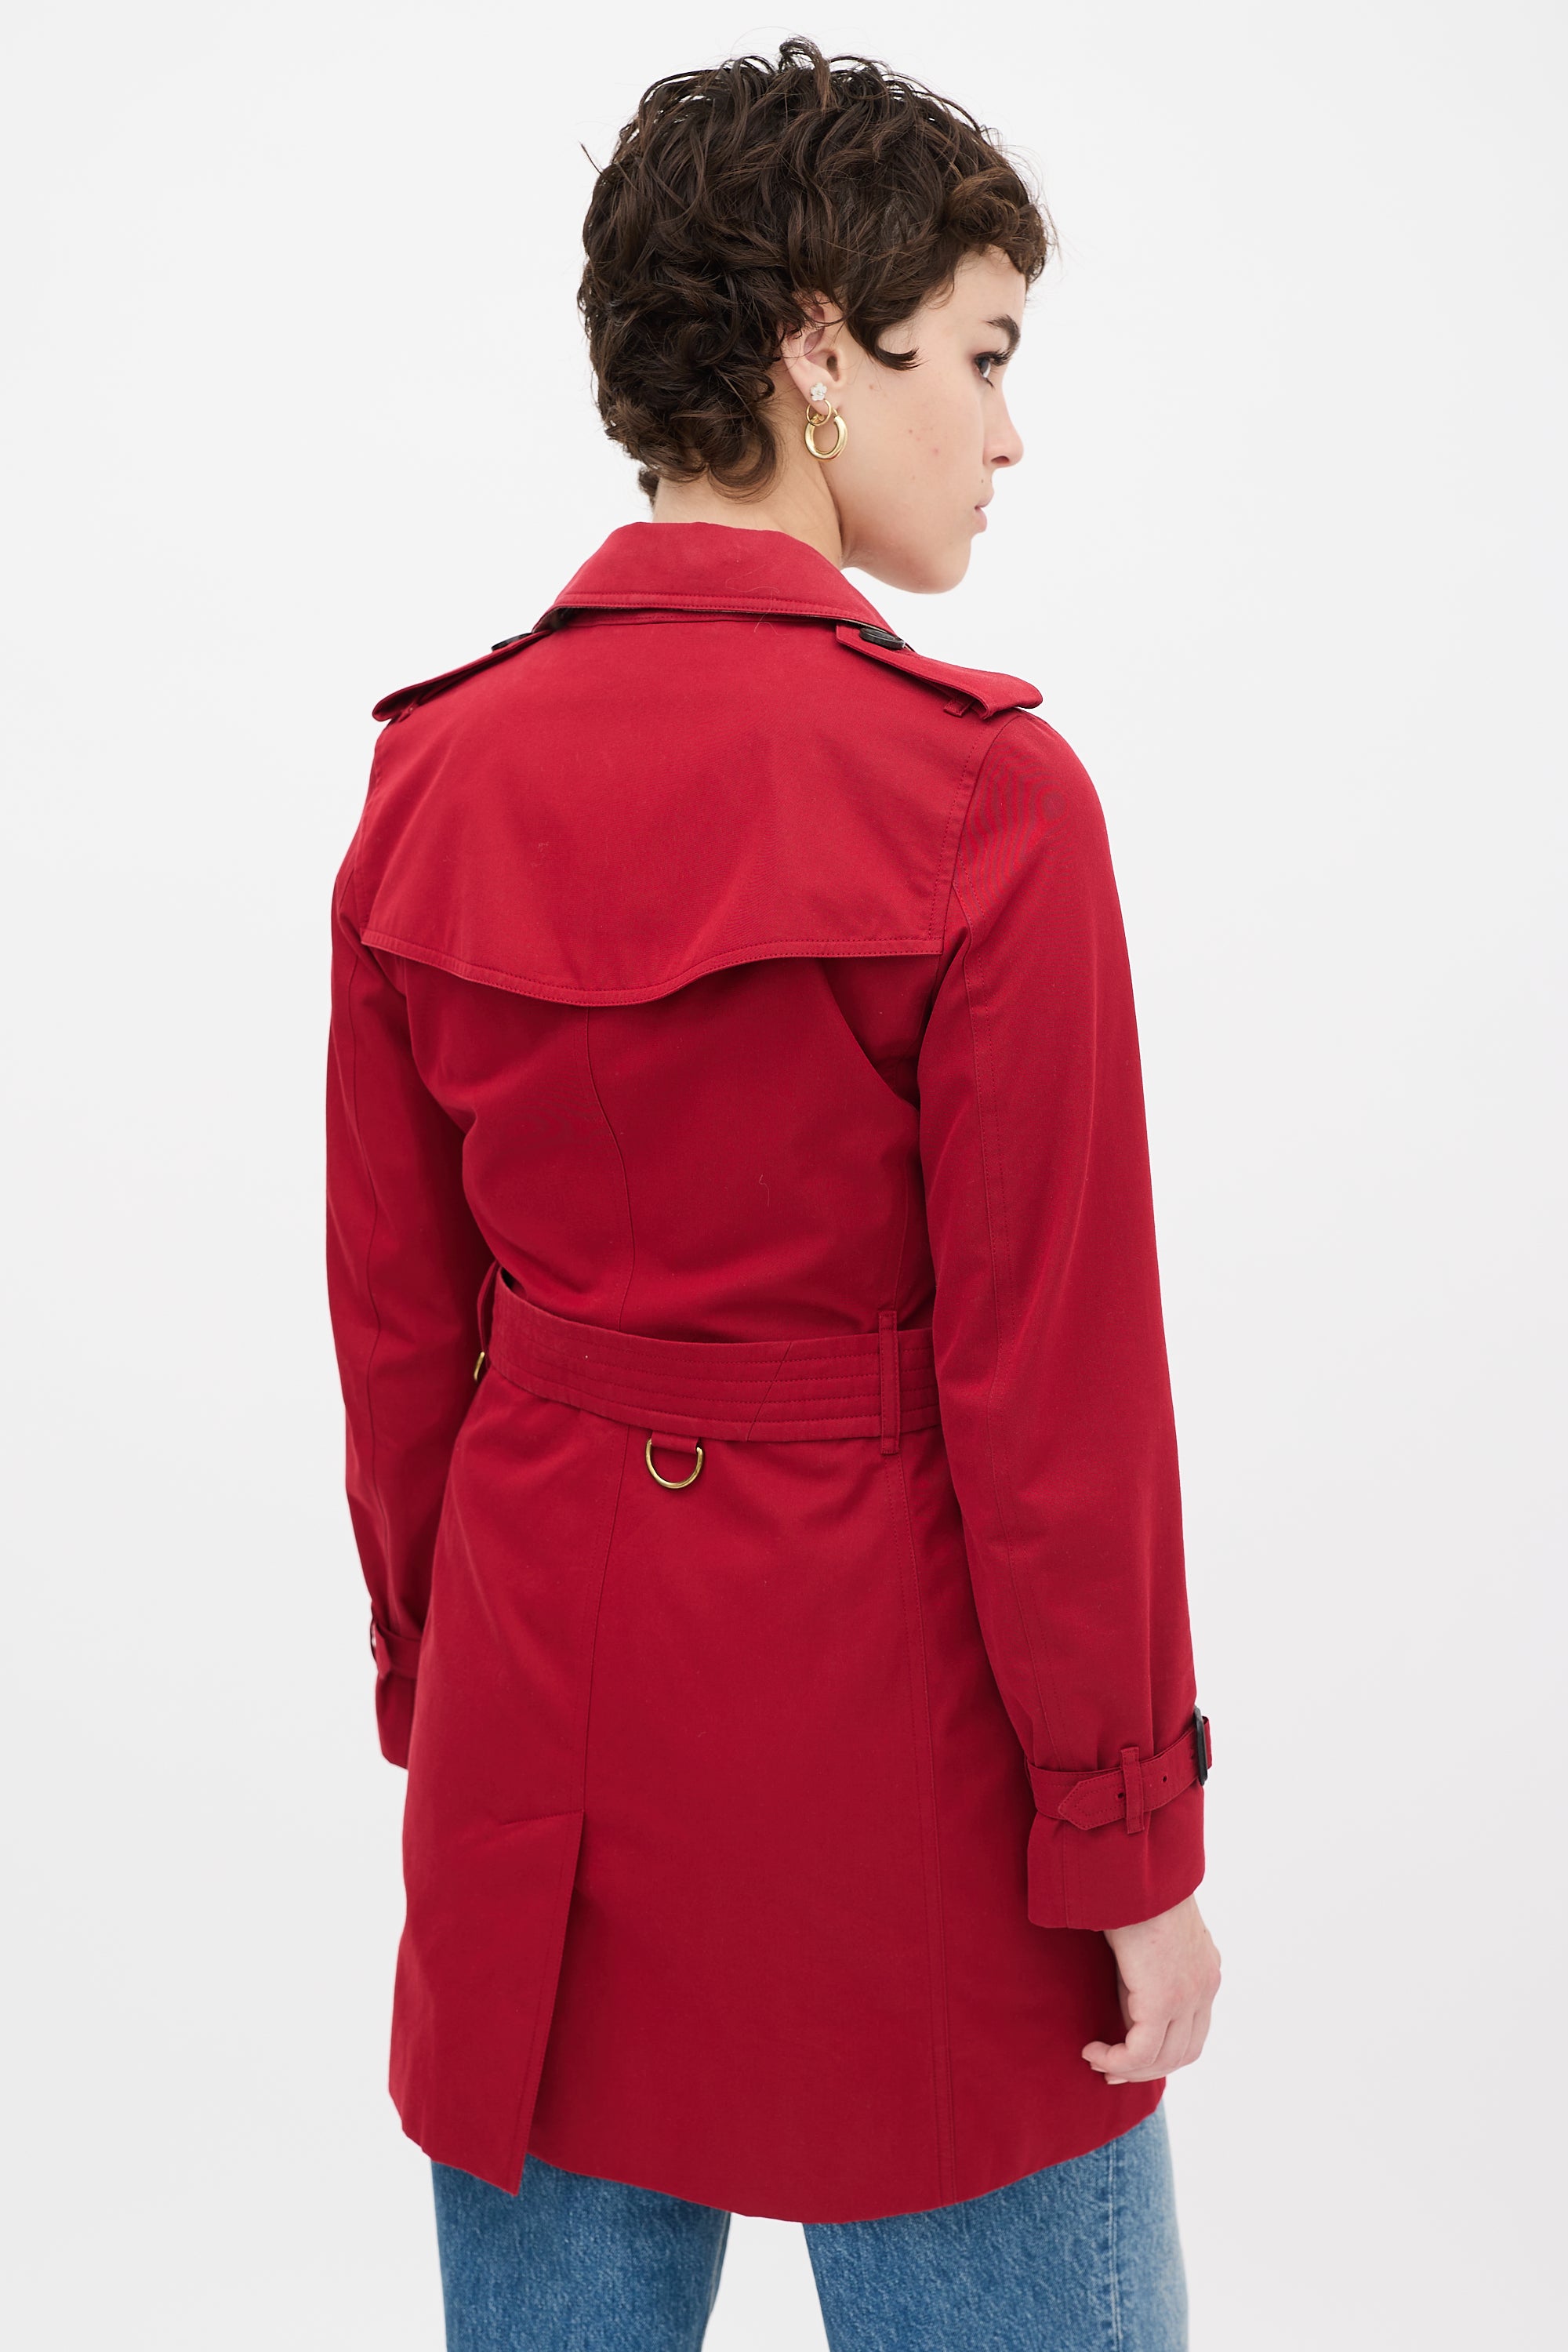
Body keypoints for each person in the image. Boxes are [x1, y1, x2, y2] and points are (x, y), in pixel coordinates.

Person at [326, 38, 1221, 2352]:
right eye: (982, 357)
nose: (1009, 435)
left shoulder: (431, 778)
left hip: (538, 1766)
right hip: (900, 1788)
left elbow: (398, 1333)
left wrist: (444, 1699)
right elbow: (1058, 1396)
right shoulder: (987, 802)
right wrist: (1130, 1845)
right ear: (824, 353)